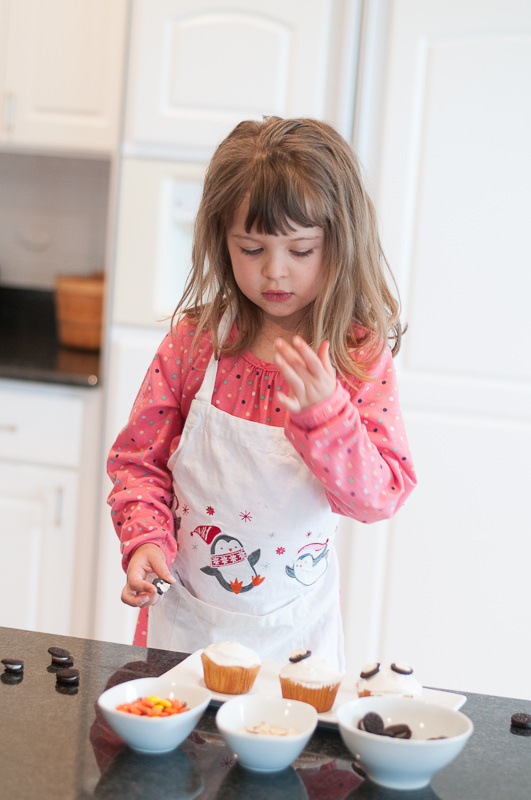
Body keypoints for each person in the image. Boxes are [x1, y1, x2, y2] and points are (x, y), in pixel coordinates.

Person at [107, 117, 416, 670]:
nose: (275, 272)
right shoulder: (195, 344)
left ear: (341, 244)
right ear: (220, 240)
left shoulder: (356, 356)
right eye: (251, 248)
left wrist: (327, 416)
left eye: (301, 251)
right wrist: (146, 539)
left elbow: (379, 497)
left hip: (295, 637)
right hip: (186, 626)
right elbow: (137, 462)